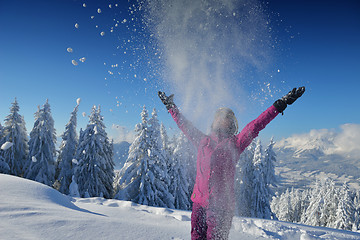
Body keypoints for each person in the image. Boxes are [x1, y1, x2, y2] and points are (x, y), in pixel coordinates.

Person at [158, 87, 305, 240]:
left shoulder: (236, 143)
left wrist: (279, 105)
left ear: (231, 123)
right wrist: (171, 107)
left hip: (221, 208)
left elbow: (255, 125)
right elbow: (184, 125)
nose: (221, 119)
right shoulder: (203, 141)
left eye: (226, 117)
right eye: (219, 116)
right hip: (199, 203)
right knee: (196, 237)